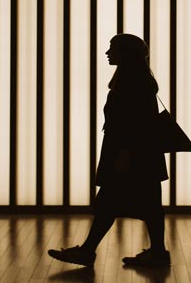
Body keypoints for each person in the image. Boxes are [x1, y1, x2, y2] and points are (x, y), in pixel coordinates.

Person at [48, 33, 170, 267]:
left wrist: (124, 154)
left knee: (110, 203)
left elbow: (131, 123)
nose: (107, 53)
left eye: (112, 48)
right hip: (142, 153)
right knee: (147, 204)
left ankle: (87, 251)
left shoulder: (131, 81)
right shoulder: (139, 79)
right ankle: (156, 252)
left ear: (126, 53)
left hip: (129, 153)